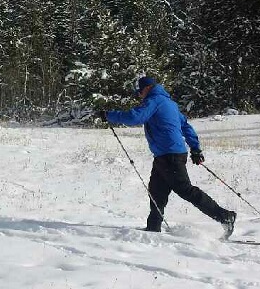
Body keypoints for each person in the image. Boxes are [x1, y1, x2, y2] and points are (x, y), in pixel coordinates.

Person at [98, 76, 236, 238]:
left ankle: (225, 216)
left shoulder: (154, 101)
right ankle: (153, 228)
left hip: (170, 155)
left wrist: (109, 115)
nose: (140, 96)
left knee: (185, 190)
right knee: (156, 191)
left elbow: (136, 117)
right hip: (165, 155)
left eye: (140, 92)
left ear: (147, 88)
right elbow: (186, 126)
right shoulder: (170, 104)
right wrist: (195, 149)